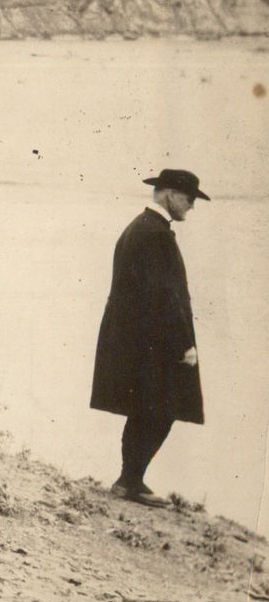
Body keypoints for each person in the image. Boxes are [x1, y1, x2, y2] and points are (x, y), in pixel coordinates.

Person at [90, 168, 208, 506]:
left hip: (134, 340)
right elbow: (165, 296)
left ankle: (130, 479)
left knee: (145, 408)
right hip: (152, 342)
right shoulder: (156, 234)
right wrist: (184, 344)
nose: (191, 206)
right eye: (189, 199)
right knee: (162, 408)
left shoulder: (140, 227)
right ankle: (130, 480)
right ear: (169, 194)